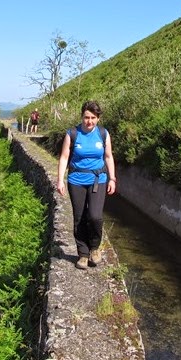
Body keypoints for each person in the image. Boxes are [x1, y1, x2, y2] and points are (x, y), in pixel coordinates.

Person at [57, 100, 117, 270]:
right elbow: (63, 158)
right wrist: (60, 180)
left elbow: (108, 157)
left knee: (95, 216)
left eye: (93, 118)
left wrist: (112, 178)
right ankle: (83, 254)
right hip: (76, 180)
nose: (89, 121)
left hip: (99, 180)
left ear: (98, 118)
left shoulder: (103, 134)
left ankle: (95, 248)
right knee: (79, 217)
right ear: (81, 116)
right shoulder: (73, 134)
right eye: (86, 117)